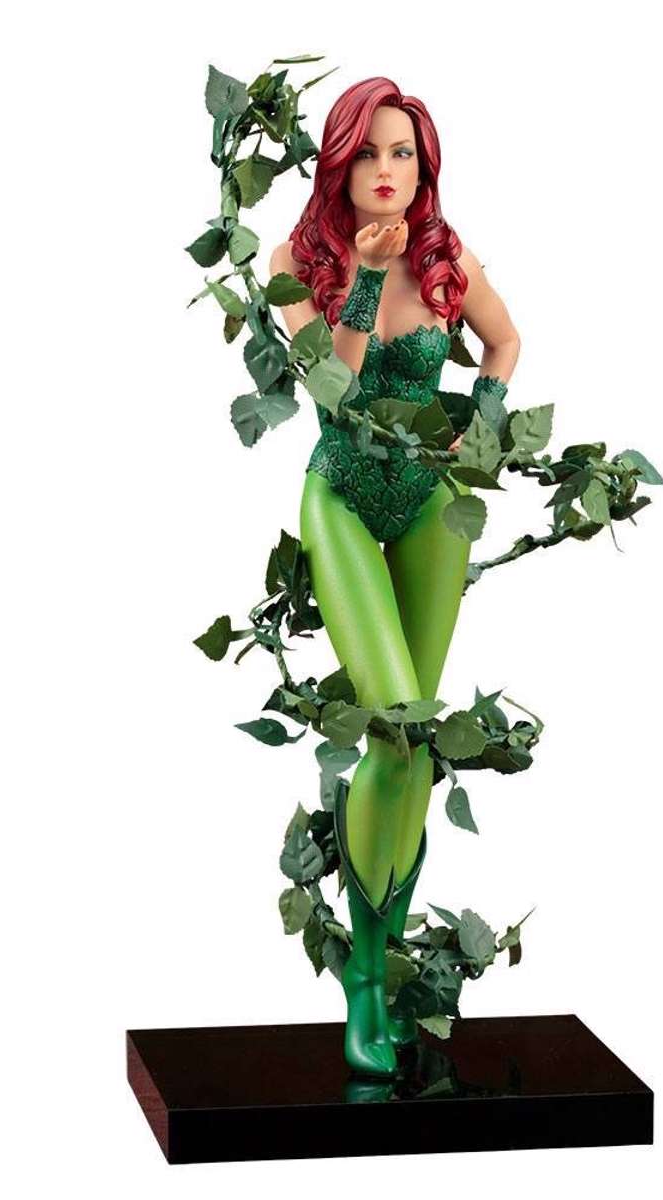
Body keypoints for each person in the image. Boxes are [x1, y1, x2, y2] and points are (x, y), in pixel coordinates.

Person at [268, 77, 521, 1077]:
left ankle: (381, 959)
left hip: (426, 502)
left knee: (419, 744)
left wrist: (482, 429)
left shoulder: (447, 254)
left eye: (403, 153)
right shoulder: (298, 262)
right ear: (339, 164)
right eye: (368, 152)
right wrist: (367, 282)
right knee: (392, 728)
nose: (386, 170)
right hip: (341, 491)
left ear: (425, 167)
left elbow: (505, 339)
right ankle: (367, 982)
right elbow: (333, 394)